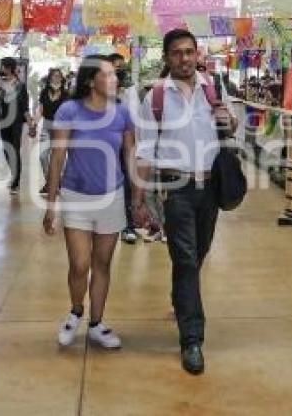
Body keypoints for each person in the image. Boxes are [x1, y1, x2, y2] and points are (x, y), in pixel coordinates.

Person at [134, 29, 238, 375]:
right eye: (177, 53)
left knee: (200, 252)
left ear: (197, 54)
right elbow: (146, 148)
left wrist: (229, 120)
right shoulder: (156, 98)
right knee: (187, 259)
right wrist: (139, 197)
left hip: (209, 187)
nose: (184, 58)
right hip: (174, 188)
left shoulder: (213, 88)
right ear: (166, 58)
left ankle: (181, 299)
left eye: (189, 52)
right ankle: (191, 339)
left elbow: (230, 124)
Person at [42, 55, 135, 349]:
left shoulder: (122, 114)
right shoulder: (70, 110)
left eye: (115, 75)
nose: (115, 80)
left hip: (113, 196)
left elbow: (131, 156)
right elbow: (58, 157)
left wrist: (140, 198)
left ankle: (96, 323)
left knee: (103, 263)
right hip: (76, 196)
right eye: (108, 75)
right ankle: (76, 311)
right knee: (80, 264)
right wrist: (51, 203)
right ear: (90, 80)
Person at [106, 53, 142, 244]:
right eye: (114, 67)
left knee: (127, 183)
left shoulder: (130, 91)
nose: (117, 72)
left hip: (125, 144)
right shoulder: (98, 90)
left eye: (120, 68)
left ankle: (128, 225)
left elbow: (135, 119)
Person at [0, 58, 34, 195]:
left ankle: (16, 182)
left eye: (2, 66)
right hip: (3, 122)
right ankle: (14, 174)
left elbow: (25, 107)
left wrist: (31, 124)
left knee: (14, 150)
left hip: (16, 123)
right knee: (6, 150)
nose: (0, 68)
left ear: (9, 68)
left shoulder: (20, 86)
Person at [33, 68, 68, 195]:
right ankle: (51, 182)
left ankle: (54, 183)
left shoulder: (66, 94)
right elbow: (40, 110)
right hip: (46, 126)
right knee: (42, 156)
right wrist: (34, 123)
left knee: (58, 158)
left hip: (60, 128)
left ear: (62, 79)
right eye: (54, 76)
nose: (56, 78)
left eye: (59, 76)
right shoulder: (44, 92)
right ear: (49, 78)